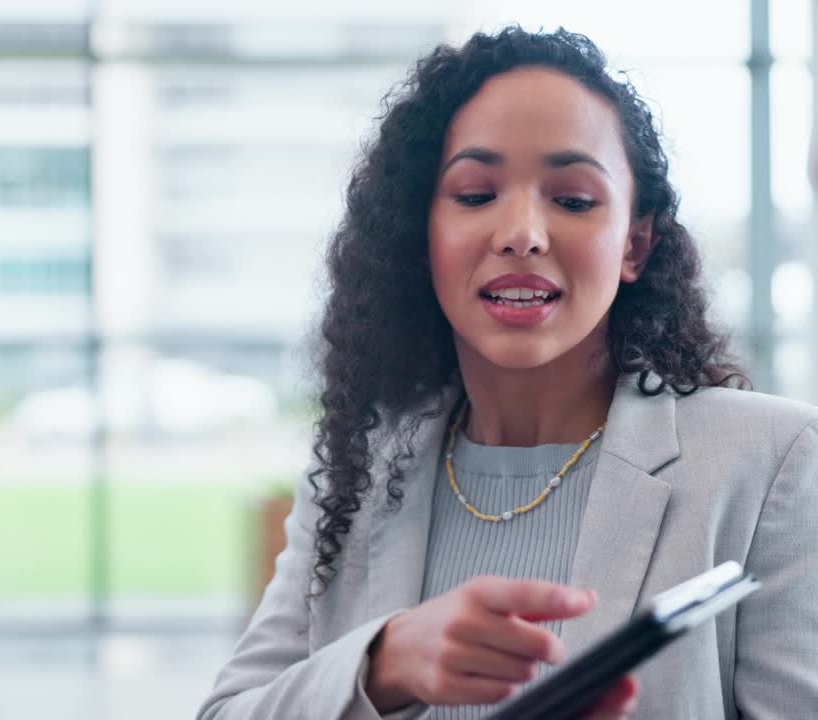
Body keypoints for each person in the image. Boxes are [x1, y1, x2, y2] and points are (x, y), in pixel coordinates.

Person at [199, 26, 818, 720]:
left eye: (574, 200)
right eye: (474, 194)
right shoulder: (363, 472)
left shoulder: (774, 461)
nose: (522, 232)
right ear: (420, 234)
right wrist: (383, 665)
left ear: (635, 244)